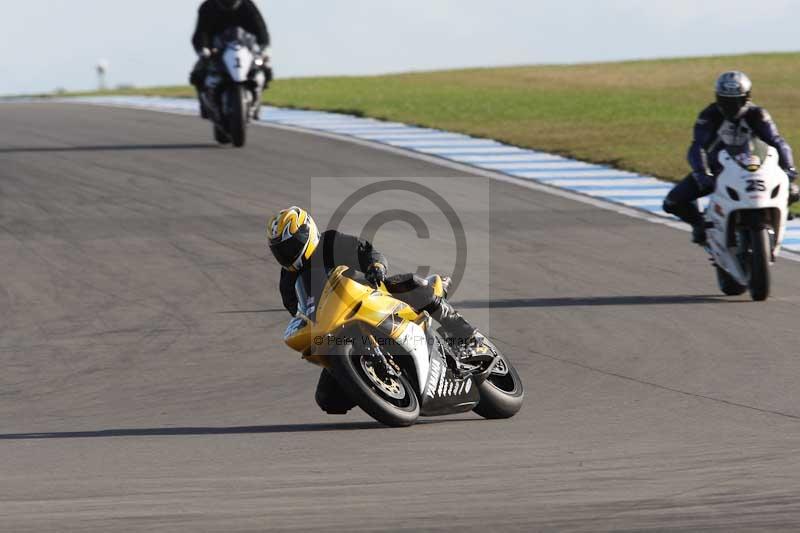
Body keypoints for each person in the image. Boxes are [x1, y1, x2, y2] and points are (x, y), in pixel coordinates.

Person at [267, 206, 478, 414]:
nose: (287, 254)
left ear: (308, 232)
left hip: (372, 295)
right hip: (336, 327)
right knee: (327, 399)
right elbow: (299, 312)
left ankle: (465, 335)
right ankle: (372, 386)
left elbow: (366, 251)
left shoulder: (329, 243)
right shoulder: (288, 281)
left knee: (408, 284)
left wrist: (376, 267)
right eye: (280, 251)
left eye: (291, 245)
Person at [663, 71, 798, 244]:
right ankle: (700, 224)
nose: (731, 107)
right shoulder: (709, 115)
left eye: (736, 101)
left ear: (747, 98)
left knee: (793, 191)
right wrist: (701, 173)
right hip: (718, 170)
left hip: (755, 169)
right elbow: (697, 146)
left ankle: (773, 215)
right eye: (725, 101)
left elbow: (777, 142)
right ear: (718, 98)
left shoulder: (758, 115)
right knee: (672, 202)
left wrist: (789, 168)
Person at [189, 0, 272, 117]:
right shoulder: (208, 6)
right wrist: (204, 48)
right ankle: (205, 105)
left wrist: (264, 46)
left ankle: (257, 101)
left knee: (265, 67)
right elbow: (201, 32)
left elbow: (260, 28)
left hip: (244, 49)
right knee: (198, 73)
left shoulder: (247, 5)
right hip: (217, 50)